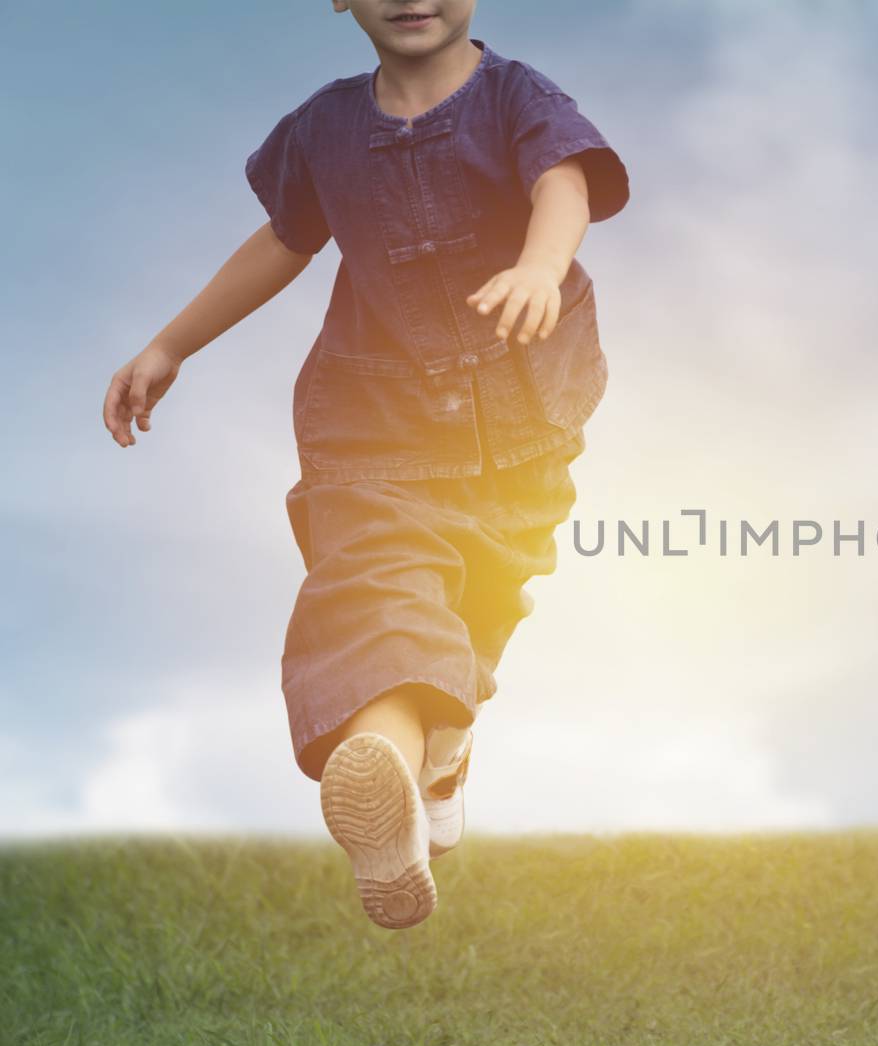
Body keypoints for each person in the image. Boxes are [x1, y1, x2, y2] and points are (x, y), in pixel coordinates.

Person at [99, 0, 630, 929]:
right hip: (374, 418)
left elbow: (564, 183)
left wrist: (542, 269)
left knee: (479, 607)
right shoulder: (323, 128)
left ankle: (441, 748)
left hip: (521, 424)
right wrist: (171, 344)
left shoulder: (517, 97)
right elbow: (282, 241)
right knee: (374, 592)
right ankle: (380, 788)